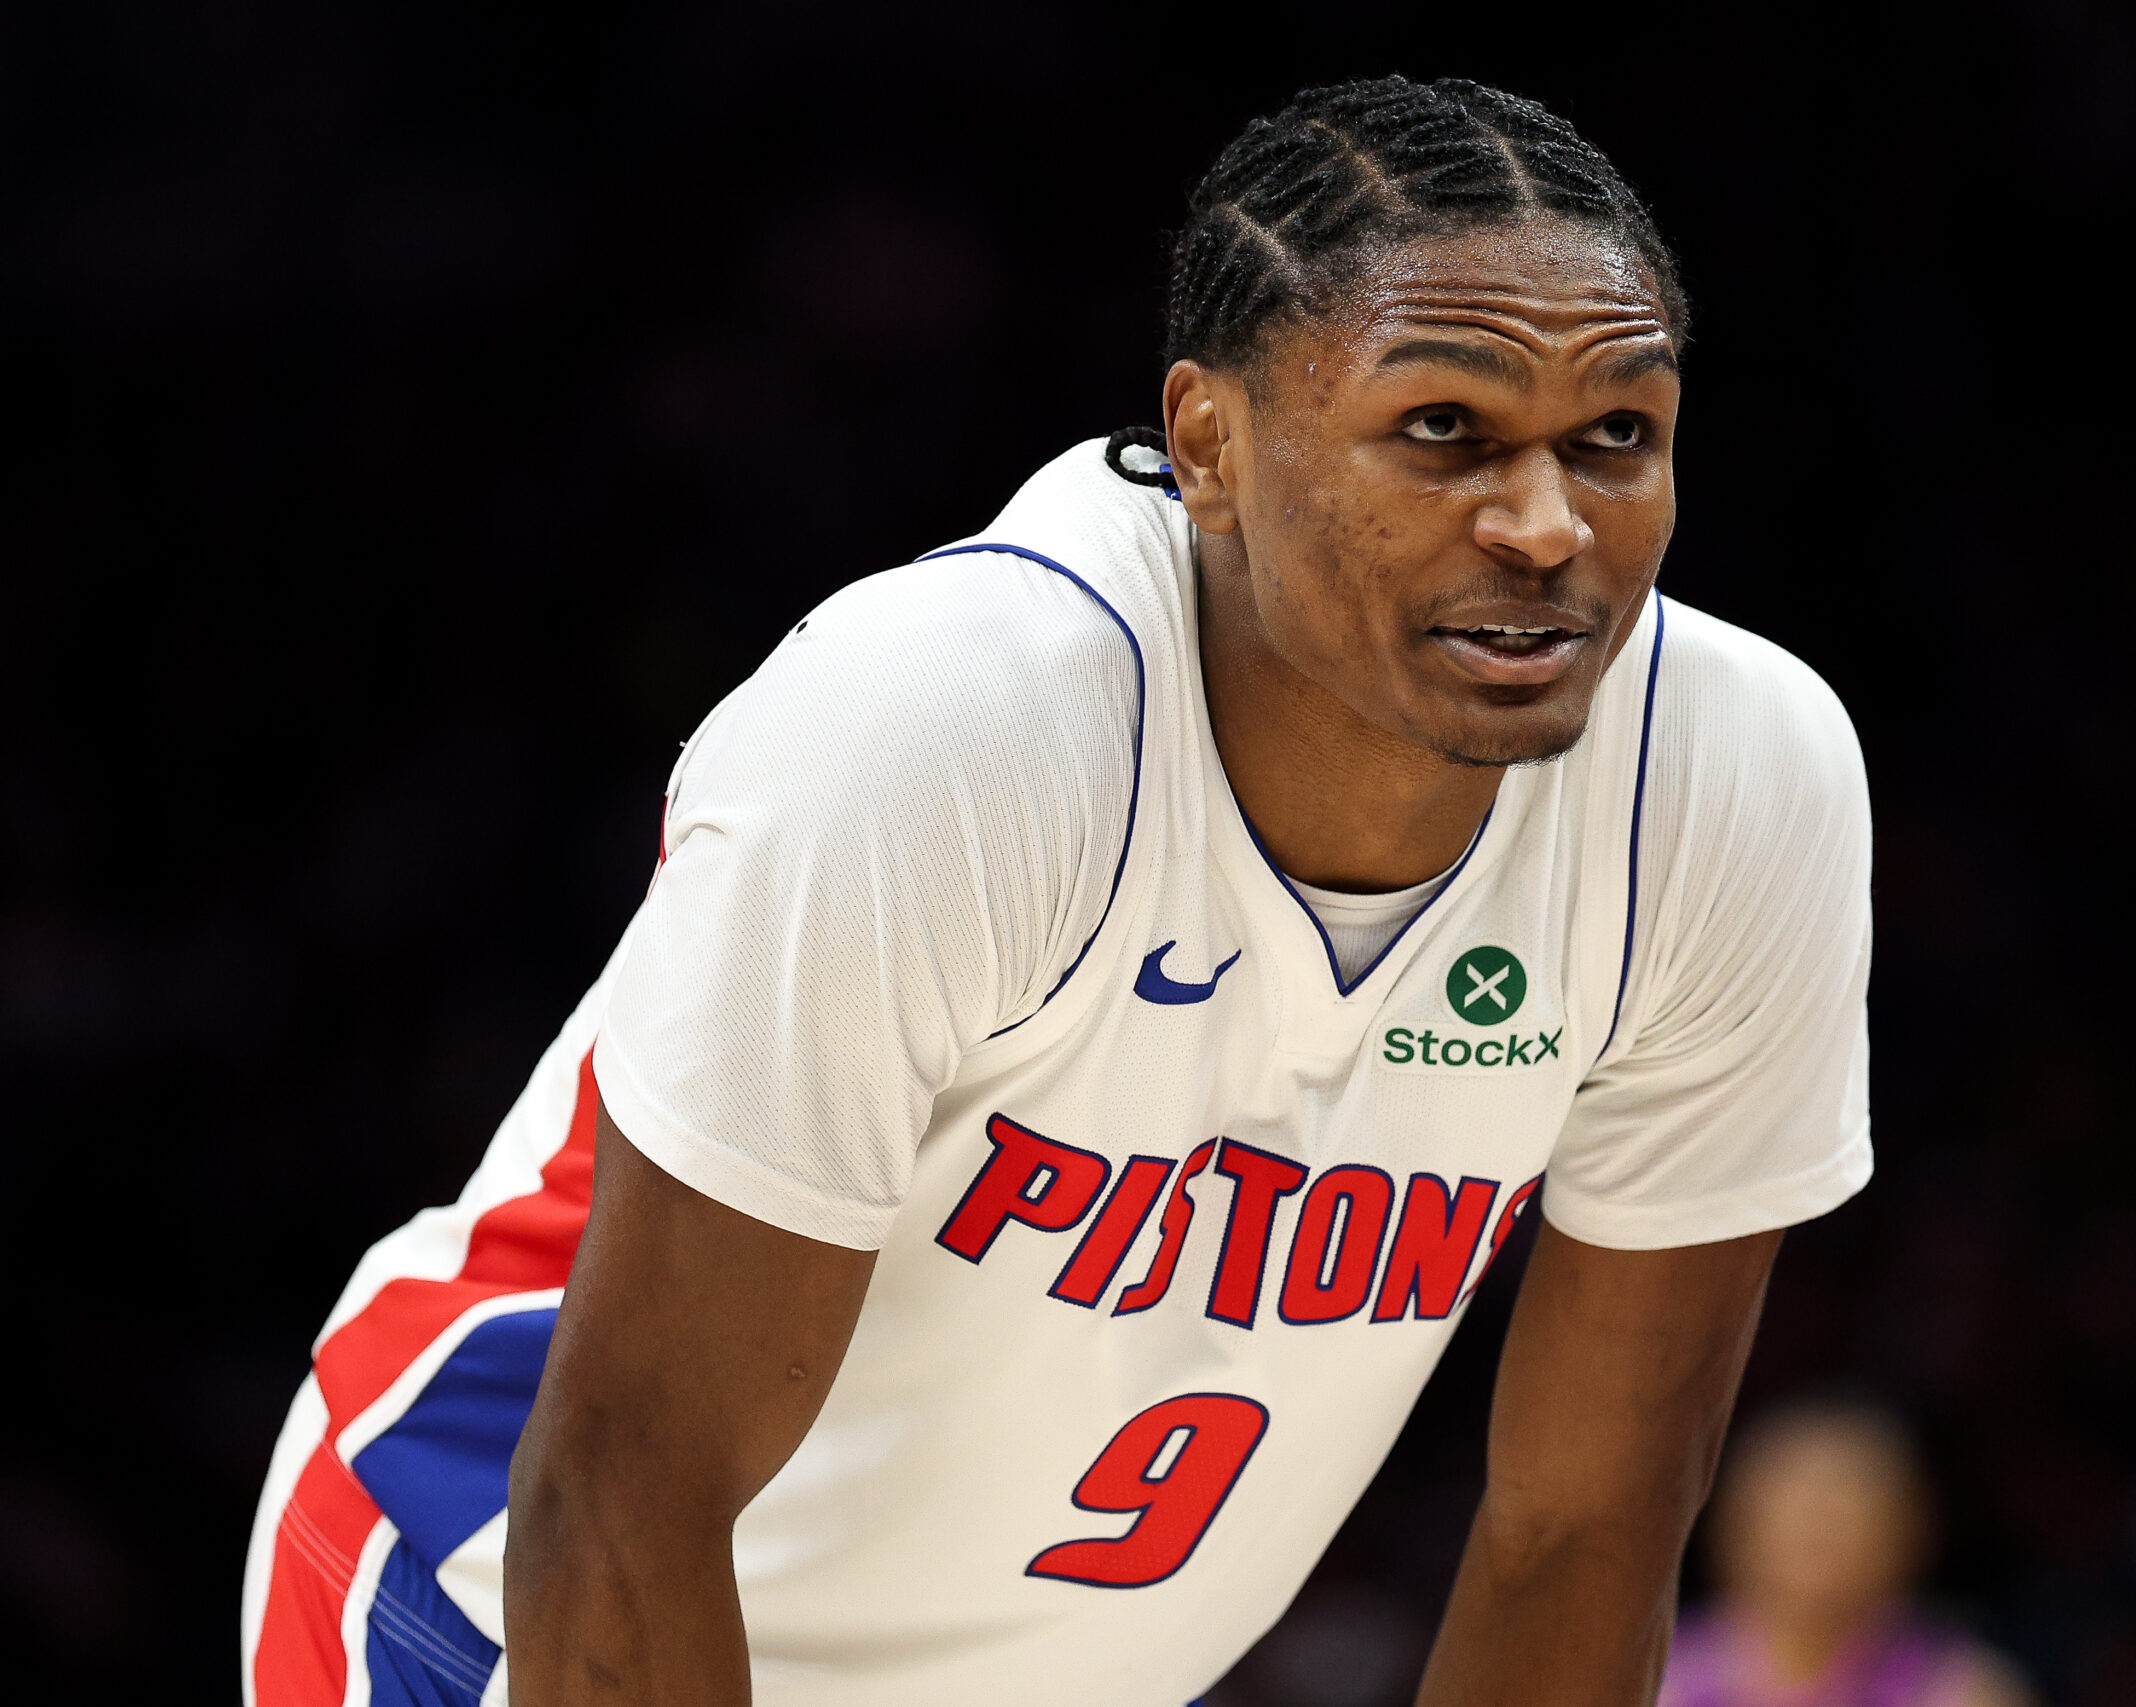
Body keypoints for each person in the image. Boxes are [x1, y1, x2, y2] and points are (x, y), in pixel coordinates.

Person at [242, 75, 1875, 1707]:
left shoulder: (1731, 788)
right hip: (501, 1607)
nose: (1544, 525)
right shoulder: (949, 731)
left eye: (1617, 439)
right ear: (1210, 445)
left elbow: (1581, 1532)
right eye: (1443, 431)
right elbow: (625, 1487)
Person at [1658, 1404, 2034, 1707]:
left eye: (1844, 1519)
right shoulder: (1660, 1680)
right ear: (1733, 1531)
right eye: (1797, 1517)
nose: (1817, 1535)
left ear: (1909, 1538)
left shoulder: (1967, 1691)